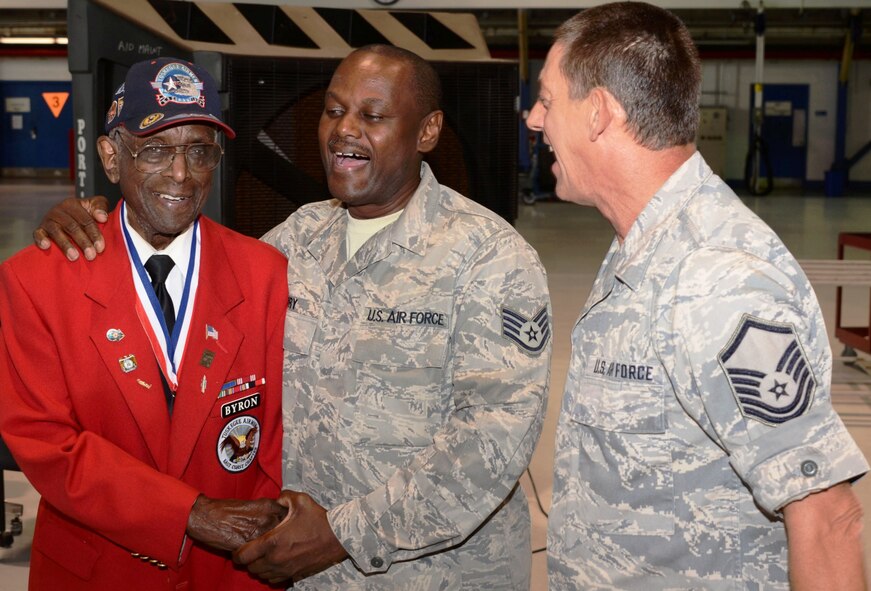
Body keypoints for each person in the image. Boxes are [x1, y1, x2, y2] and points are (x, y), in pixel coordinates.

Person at [31, 45, 552, 589]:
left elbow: (490, 444)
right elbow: (181, 306)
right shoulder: (295, 240)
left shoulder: (490, 257)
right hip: (297, 574)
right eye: (333, 110)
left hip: (432, 574)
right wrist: (102, 222)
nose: (344, 131)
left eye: (372, 116)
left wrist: (341, 534)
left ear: (427, 131)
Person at [524, 3, 869, 590]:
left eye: (548, 101)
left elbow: (827, 518)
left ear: (599, 113)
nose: (534, 119)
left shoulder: (717, 279)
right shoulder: (645, 244)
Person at [1, 57, 288, 590]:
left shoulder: (264, 272)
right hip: (95, 573)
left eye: (199, 151)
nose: (181, 174)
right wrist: (189, 514)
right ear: (112, 158)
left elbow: (277, 435)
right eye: (155, 150)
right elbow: (44, 441)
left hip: (229, 573)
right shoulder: (37, 282)